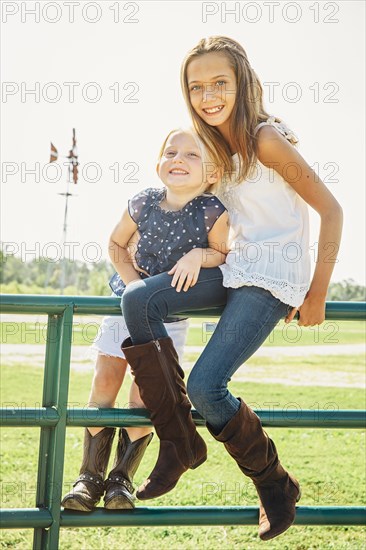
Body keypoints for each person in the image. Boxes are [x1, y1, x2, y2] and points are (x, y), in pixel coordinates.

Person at [120, 36, 343, 541]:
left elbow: (332, 210)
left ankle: (273, 483)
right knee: (139, 297)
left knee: (205, 386)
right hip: (235, 266)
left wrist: (319, 292)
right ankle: (178, 444)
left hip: (273, 277)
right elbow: (188, 197)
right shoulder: (217, 148)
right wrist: (183, 247)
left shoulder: (266, 139)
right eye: (197, 87)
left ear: (243, 82)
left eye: (220, 83)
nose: (209, 95)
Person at [62, 126, 229, 512]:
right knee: (105, 382)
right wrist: (135, 287)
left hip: (168, 318)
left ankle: (121, 479)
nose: (178, 160)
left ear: (213, 172)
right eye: (171, 152)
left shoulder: (211, 211)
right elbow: (116, 244)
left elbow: (222, 254)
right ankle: (88, 478)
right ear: (158, 163)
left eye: (192, 155)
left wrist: (196, 257)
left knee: (145, 395)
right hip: (124, 305)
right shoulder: (143, 203)